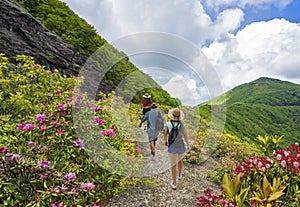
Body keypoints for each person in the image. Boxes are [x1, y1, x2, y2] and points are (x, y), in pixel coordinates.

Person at [164, 108, 190, 190]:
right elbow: (185, 135)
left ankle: (174, 183)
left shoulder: (168, 124)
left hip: (172, 145)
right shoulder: (182, 125)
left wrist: (165, 141)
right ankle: (179, 175)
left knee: (173, 164)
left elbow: (165, 134)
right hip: (180, 145)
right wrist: (188, 144)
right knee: (180, 160)